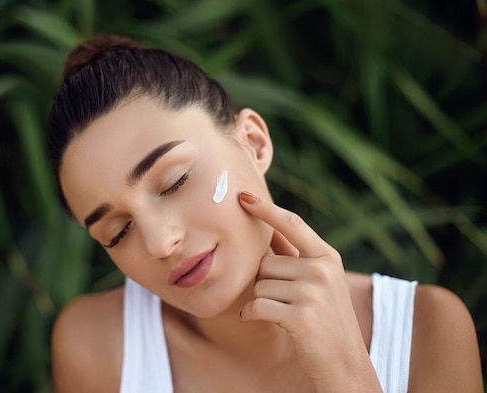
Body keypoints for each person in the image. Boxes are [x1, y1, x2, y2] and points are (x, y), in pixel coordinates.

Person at [47, 35, 483, 393]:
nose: (160, 242)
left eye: (174, 181)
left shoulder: (426, 332)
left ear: (254, 142)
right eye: (118, 232)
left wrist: (347, 375)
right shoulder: (99, 347)